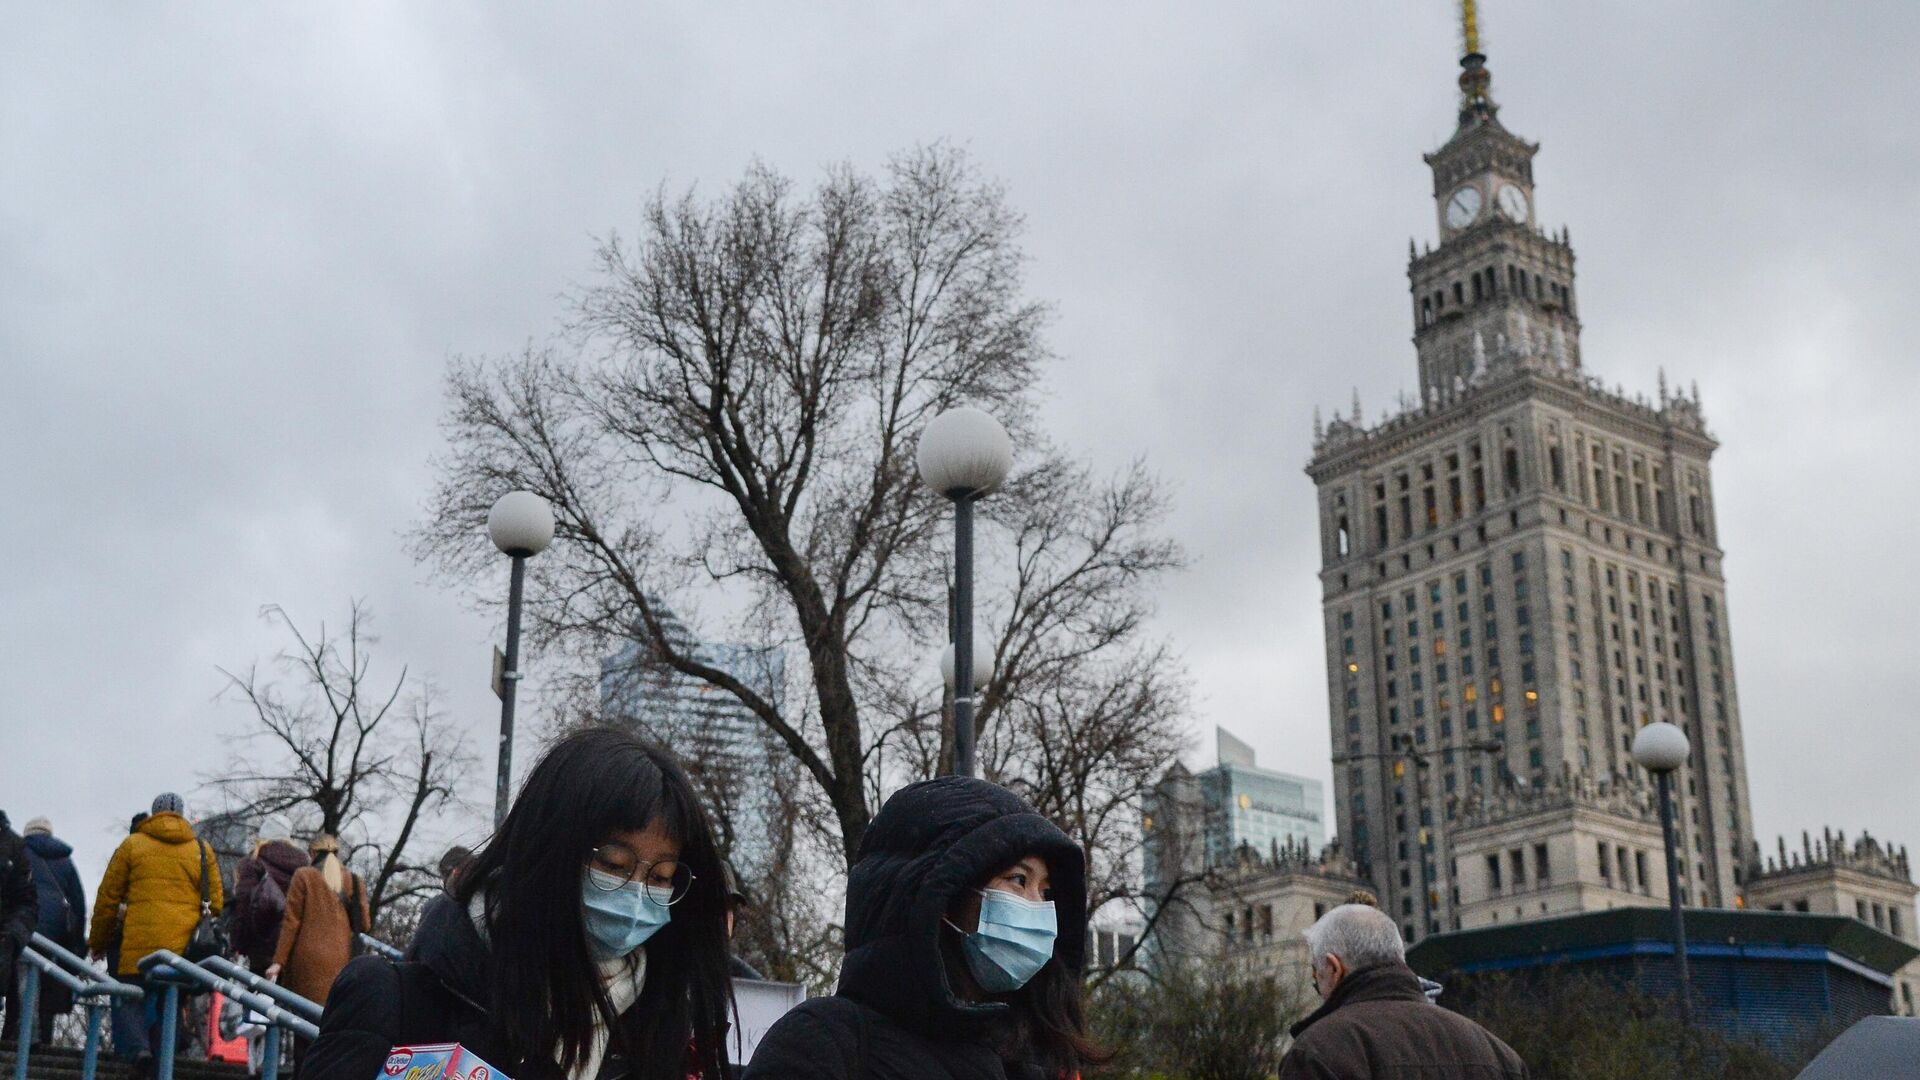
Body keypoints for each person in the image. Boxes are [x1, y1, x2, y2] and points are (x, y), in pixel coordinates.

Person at [301, 727, 735, 1080]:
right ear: (547, 851)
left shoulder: (662, 1035)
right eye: (615, 864)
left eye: (660, 878)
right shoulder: (395, 1004)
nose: (636, 893)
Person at [743, 777, 1105, 1080]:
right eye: (1018, 879)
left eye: (1046, 893)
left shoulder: (1031, 1064)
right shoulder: (825, 1041)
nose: (1036, 907)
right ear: (945, 896)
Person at [1277, 904, 1526, 1080]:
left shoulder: (1317, 1053)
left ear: (1334, 968)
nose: (1318, 990)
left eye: (1316, 976)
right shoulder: (1499, 1056)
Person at [88, 794, 225, 1074]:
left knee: (128, 995)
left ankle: (139, 1050)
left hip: (139, 945)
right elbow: (217, 903)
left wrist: (98, 941)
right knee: (170, 1000)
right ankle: (162, 1063)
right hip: (180, 950)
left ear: (154, 814)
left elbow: (108, 899)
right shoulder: (201, 849)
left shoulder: (132, 845)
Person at [2, 817, 87, 1046]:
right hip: (55, 934)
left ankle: (19, 1034)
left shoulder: (18, 851)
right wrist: (78, 944)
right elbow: (78, 904)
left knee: (17, 980)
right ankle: (42, 1037)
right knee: (47, 983)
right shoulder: (65, 860)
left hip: (23, 926)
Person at [268, 833, 367, 1003]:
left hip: (306, 963)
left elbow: (291, 923)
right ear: (337, 853)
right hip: (342, 961)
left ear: (312, 853)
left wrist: (278, 962)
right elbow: (364, 924)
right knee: (331, 1015)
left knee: (304, 1019)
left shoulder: (303, 876)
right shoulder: (355, 880)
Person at [229, 817, 308, 975]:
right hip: (291, 946)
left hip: (258, 944)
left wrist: (237, 944)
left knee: (253, 996)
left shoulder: (254, 862)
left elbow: (243, 906)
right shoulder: (304, 866)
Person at [0, 811, 41, 1043]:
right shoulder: (15, 845)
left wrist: (13, 934)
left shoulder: (13, 846)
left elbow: (26, 901)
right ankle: (26, 1033)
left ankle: (22, 1034)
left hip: (9, 932)